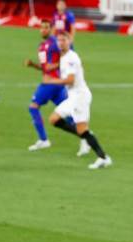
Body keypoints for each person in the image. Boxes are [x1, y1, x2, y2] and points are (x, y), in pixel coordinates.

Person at [45, 32, 112, 169]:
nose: (61, 43)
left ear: (69, 41)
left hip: (79, 97)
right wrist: (52, 67)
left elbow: (70, 80)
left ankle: (103, 158)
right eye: (59, 40)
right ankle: (86, 136)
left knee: (81, 129)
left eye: (64, 40)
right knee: (54, 119)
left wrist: (52, 81)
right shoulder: (64, 57)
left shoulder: (71, 58)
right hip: (73, 97)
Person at [24, 19, 90, 156]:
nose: (43, 30)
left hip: (51, 83)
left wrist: (54, 66)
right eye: (42, 27)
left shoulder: (55, 42)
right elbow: (45, 67)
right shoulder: (42, 46)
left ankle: (43, 140)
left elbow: (68, 58)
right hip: (56, 85)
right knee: (70, 115)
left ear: (51, 29)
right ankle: (85, 138)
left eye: (46, 27)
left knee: (33, 107)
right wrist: (33, 65)